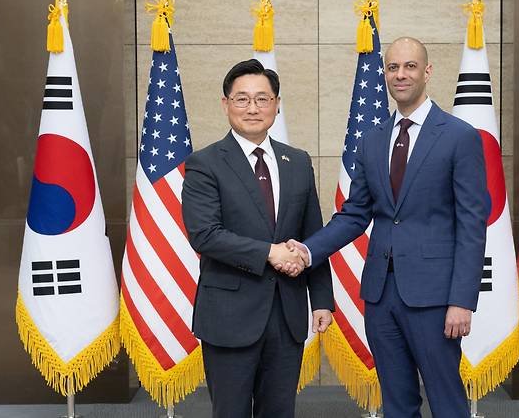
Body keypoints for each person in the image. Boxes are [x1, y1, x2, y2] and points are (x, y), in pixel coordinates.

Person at [285, 37, 490, 417]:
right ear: (385, 74)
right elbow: (354, 214)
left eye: (410, 66)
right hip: (380, 296)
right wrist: (309, 250)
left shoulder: (459, 137)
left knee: (447, 402)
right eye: (393, 67)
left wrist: (462, 299)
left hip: (435, 298)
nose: (401, 74)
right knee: (396, 403)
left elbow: (472, 223)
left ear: (427, 72)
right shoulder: (373, 140)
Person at [182, 59, 334, 418]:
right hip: (229, 316)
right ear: (225, 104)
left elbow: (314, 234)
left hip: (287, 313)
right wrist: (269, 252)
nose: (253, 108)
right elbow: (205, 234)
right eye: (242, 99)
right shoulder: (205, 163)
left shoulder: (297, 161)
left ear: (277, 104)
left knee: (280, 411)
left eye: (262, 99)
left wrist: (322, 299)